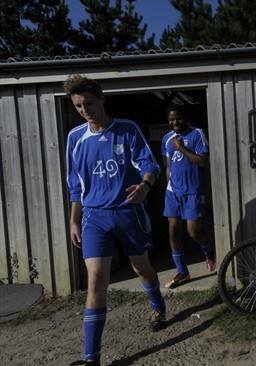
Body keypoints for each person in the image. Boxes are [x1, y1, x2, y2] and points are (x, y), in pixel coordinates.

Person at [65, 75, 166, 366]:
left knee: (141, 268)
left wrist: (145, 186)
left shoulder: (127, 130)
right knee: (96, 281)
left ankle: (157, 305)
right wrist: (74, 220)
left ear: (102, 100)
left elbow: (150, 165)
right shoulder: (75, 138)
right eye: (79, 106)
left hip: (127, 213)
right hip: (94, 218)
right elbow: (76, 185)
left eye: (90, 104)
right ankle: (91, 358)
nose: (85, 110)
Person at [161, 104, 216, 289]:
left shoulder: (197, 134)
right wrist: (169, 183)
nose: (174, 122)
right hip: (173, 192)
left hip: (193, 191)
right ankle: (182, 271)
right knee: (173, 230)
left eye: (178, 118)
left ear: (185, 118)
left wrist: (182, 148)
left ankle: (209, 252)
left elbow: (202, 161)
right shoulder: (167, 139)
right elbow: (168, 165)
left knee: (194, 232)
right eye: (171, 120)